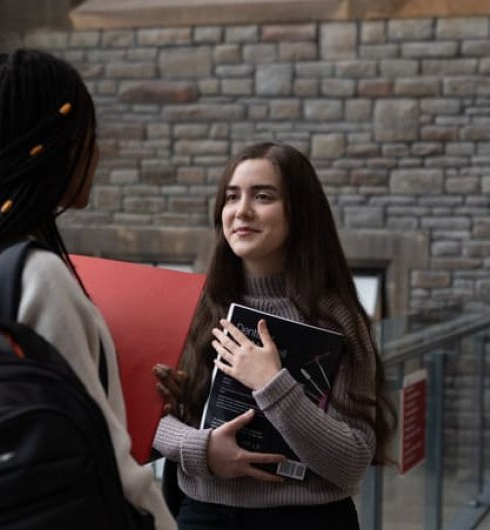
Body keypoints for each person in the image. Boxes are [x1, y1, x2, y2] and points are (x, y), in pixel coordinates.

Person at [0, 49, 175, 530]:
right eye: (91, 136)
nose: (98, 153)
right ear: (55, 145)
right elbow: (99, 457)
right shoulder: (40, 277)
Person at [153, 142, 396, 530]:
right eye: (232, 197)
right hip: (203, 514)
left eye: (263, 196)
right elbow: (137, 420)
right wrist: (202, 450)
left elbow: (352, 463)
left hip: (309, 519)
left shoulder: (338, 318)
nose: (242, 211)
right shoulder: (195, 307)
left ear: (300, 212)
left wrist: (271, 382)